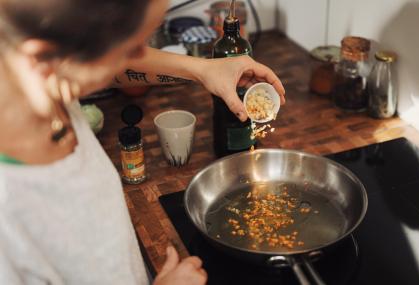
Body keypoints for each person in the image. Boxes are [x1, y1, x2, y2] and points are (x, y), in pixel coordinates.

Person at [0, 0, 285, 284]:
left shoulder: (43, 85)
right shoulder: (9, 218)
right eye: (130, 46)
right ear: (43, 59)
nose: (139, 56)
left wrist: (204, 69)